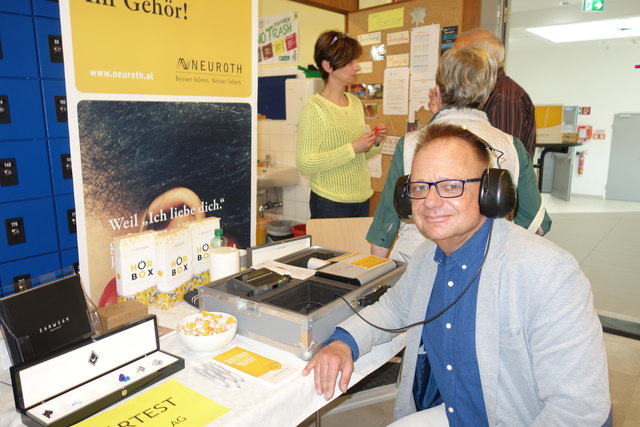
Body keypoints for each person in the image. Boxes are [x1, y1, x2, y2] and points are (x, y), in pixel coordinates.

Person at [303, 123, 611, 426]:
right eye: (420, 187)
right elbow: (392, 310)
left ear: (490, 192)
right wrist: (343, 342)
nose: (431, 202)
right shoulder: (426, 258)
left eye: (452, 186)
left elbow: (578, 411)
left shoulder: (547, 273)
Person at [367, 47, 550, 262]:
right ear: (489, 93)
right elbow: (537, 225)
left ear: (438, 88)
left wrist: (374, 276)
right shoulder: (511, 146)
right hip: (484, 264)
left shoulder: (409, 144)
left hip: (416, 262)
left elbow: (385, 225)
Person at [296, 30, 386, 219]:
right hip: (330, 202)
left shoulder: (354, 102)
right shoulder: (315, 107)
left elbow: (360, 155)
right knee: (332, 250)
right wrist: (352, 147)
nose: (357, 67)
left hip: (362, 197)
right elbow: (305, 164)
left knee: (357, 250)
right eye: (350, 62)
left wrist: (374, 142)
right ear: (328, 66)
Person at [437, 28, 538, 159]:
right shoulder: (484, 92)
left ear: (480, 58)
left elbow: (501, 160)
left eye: (461, 54)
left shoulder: (505, 99)